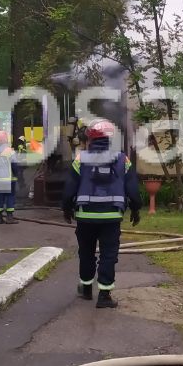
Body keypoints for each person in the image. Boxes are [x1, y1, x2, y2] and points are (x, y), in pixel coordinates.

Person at [61, 118, 141, 308]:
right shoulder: (123, 159)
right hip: (111, 216)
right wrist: (136, 208)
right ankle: (104, 296)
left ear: (90, 138)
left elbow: (69, 188)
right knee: (108, 254)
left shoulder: (80, 159)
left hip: (85, 216)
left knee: (86, 252)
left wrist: (66, 208)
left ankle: (86, 289)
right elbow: (133, 188)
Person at [0, 131, 19, 224]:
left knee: (0, 197)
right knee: (10, 197)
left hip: (0, 179)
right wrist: (17, 174)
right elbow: (14, 165)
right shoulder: (10, 151)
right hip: (10, 179)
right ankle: (9, 217)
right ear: (5, 139)